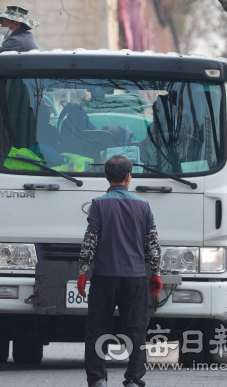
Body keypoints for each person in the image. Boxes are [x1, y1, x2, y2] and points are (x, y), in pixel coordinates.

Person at [77, 155, 162, 387]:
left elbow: (90, 242)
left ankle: (97, 379)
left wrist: (83, 273)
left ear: (106, 176)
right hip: (135, 278)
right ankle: (134, 379)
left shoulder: (98, 204)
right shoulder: (143, 206)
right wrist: (156, 273)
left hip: (104, 277)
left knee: (97, 329)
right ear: (128, 177)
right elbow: (153, 244)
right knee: (136, 330)